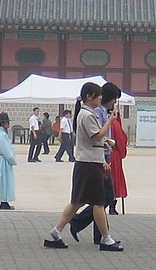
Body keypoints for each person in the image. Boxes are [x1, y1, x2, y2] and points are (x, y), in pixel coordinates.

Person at [44, 81, 122, 251]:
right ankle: (106, 239)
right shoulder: (87, 115)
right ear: (89, 97)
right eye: (98, 97)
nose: (101, 100)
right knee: (99, 202)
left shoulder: (86, 114)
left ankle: (57, 231)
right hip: (90, 163)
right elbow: (97, 136)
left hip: (86, 162)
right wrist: (109, 121)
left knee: (77, 202)